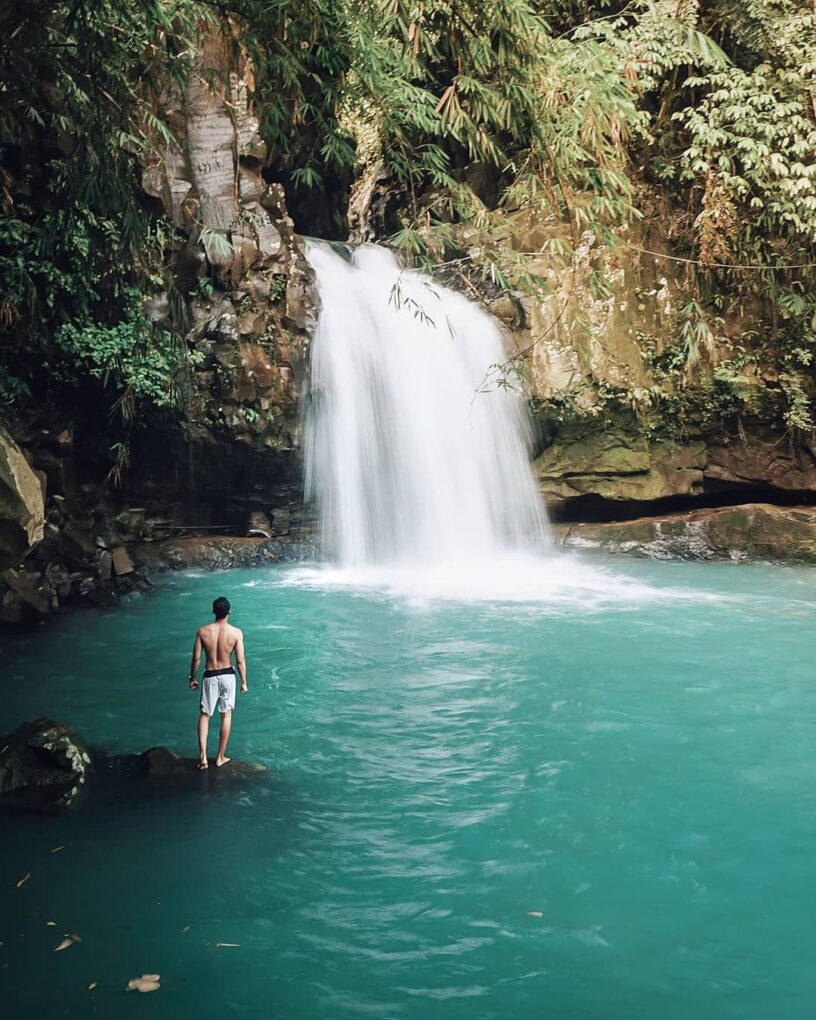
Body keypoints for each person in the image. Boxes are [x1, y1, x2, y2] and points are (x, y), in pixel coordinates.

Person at [188, 596, 248, 769]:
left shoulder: (203, 631)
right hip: (228, 675)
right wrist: (244, 682)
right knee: (226, 715)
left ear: (214, 611)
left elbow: (197, 659)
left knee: (205, 715)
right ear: (229, 612)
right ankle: (220, 757)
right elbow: (240, 661)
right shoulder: (236, 633)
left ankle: (203, 758)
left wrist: (192, 678)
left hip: (210, 675)